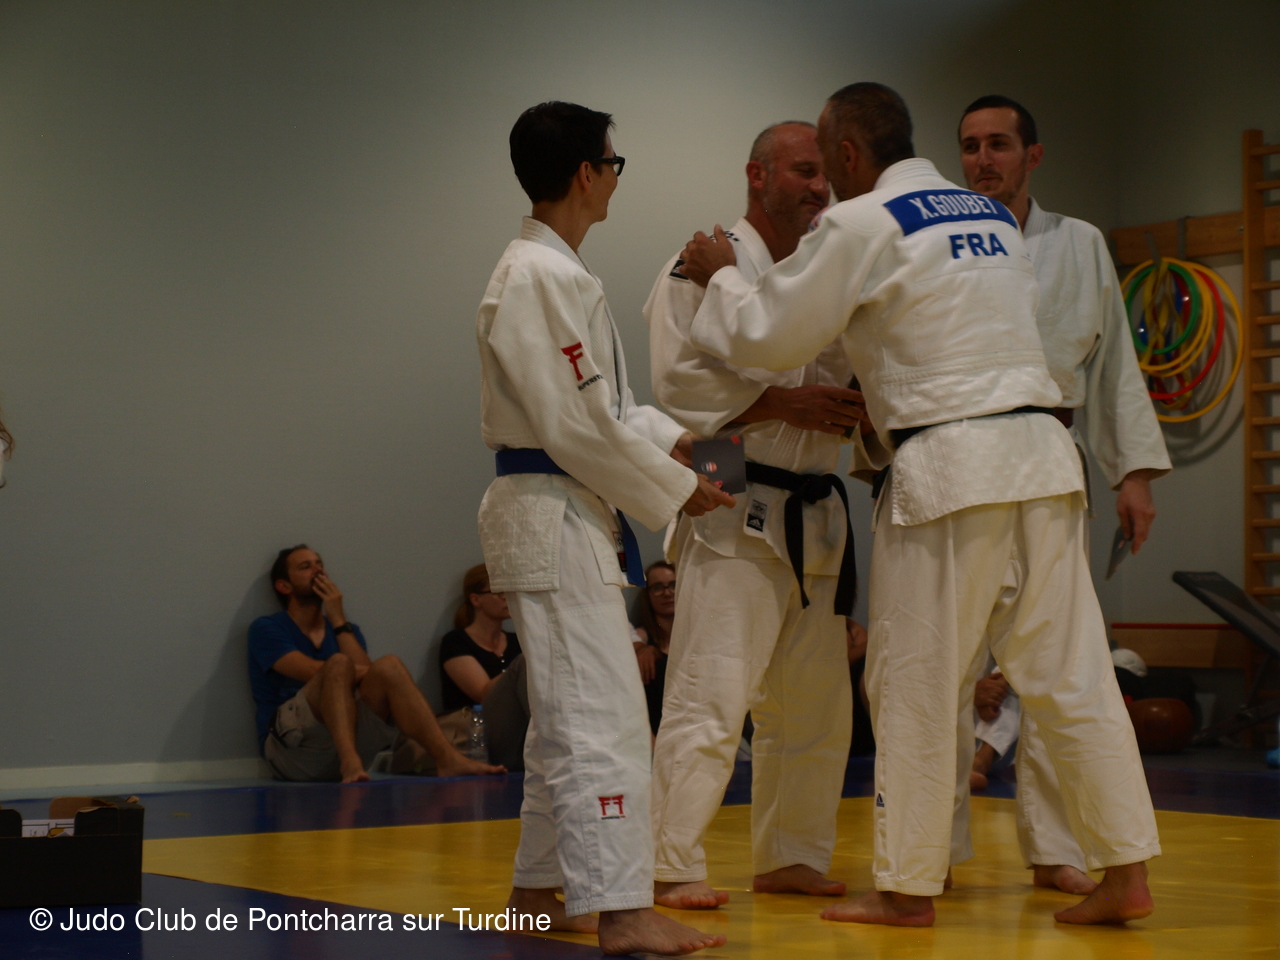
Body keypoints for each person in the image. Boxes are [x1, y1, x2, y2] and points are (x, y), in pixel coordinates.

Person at [680, 82, 1160, 927]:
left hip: (950, 467)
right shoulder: (991, 220)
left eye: (828, 161)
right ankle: (1125, 871)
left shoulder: (863, 222)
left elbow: (767, 334)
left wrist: (722, 278)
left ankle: (906, 887)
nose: (826, 182)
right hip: (1044, 461)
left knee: (914, 677)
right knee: (1073, 675)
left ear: (849, 152)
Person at [475, 101, 731, 956]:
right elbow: (573, 426)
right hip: (550, 507)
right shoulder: (535, 276)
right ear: (587, 173)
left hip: (563, 505)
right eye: (614, 163)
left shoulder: (556, 272)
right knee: (601, 717)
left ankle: (536, 890)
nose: (617, 178)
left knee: (564, 718)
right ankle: (621, 909)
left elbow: (605, 411)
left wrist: (674, 441)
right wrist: (675, 487)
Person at [952, 94, 1173, 895]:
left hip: (1050, 452)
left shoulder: (1078, 241)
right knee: (945, 661)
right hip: (958, 454)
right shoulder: (943, 241)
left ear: (1032, 155)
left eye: (999, 144)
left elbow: (1112, 363)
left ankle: (1054, 849)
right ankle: (931, 848)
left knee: (1052, 660)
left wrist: (1132, 473)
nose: (983, 160)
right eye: (970, 146)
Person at [645, 121, 866, 910]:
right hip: (731, 487)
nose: (818, 186)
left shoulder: (824, 270)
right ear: (757, 175)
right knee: (710, 692)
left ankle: (791, 856)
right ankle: (669, 860)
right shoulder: (697, 263)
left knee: (815, 706)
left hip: (819, 505)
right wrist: (778, 405)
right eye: (803, 170)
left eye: (824, 174)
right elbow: (675, 388)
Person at [247, 545, 504, 783]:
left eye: (319, 564)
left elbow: (371, 678)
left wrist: (339, 622)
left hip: (343, 743)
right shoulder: (267, 629)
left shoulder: (346, 630)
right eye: (306, 567)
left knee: (389, 665)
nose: (318, 571)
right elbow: (313, 672)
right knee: (339, 663)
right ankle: (349, 761)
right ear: (284, 586)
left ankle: (447, 759)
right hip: (291, 750)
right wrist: (351, 669)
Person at [425, 564, 529, 772]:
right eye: (498, 592)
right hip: (476, 734)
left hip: (516, 729)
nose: (506, 598)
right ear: (476, 600)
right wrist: (521, 664)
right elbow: (482, 693)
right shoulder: (456, 641)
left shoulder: (516, 641)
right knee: (525, 661)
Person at [630, 561, 676, 735]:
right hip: (657, 735)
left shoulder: (699, 637)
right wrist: (642, 650)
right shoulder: (641, 638)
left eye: (673, 585)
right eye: (657, 588)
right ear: (647, 594)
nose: (667, 593)